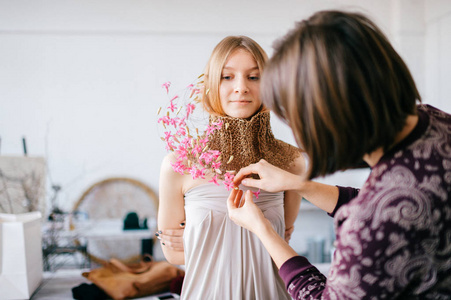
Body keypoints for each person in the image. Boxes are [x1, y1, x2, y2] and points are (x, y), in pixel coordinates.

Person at [227, 10, 451, 299]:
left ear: (328, 115)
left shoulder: (371, 223)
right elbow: (395, 202)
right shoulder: (435, 121)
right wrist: (300, 185)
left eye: (297, 121)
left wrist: (263, 230)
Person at [157, 35, 305, 299]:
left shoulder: (291, 161)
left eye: (254, 77)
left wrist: (196, 238)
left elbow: (283, 242)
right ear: (212, 84)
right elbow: (172, 252)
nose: (241, 88)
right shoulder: (180, 164)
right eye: (227, 77)